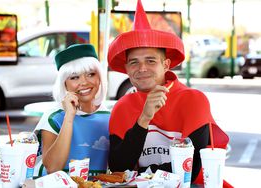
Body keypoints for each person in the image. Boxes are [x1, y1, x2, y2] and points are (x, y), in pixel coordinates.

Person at [107, 0, 231, 187]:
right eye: (134, 62)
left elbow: (192, 166)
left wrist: (144, 174)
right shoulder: (121, 107)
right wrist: (144, 119)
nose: (142, 68)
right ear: (126, 68)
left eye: (150, 61)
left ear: (165, 64)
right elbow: (118, 168)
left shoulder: (193, 99)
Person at [34, 44, 110, 177]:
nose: (84, 82)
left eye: (91, 74)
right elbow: (52, 168)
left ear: (99, 78)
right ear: (64, 83)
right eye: (74, 77)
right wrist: (69, 117)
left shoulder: (109, 117)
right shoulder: (53, 117)